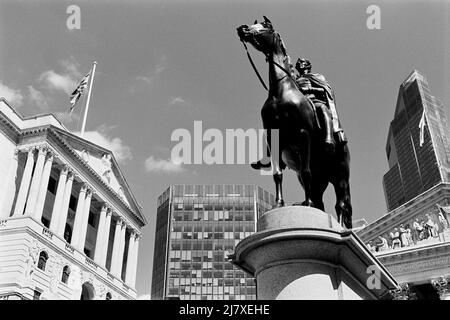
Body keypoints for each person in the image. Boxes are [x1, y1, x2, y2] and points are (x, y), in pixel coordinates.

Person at [250, 58, 348, 169]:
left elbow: (325, 90)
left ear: (308, 65)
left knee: (322, 108)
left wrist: (308, 89)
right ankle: (270, 155)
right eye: (298, 63)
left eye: (302, 63)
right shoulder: (294, 79)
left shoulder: (317, 76)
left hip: (313, 101)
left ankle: (329, 138)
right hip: (298, 105)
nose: (299, 64)